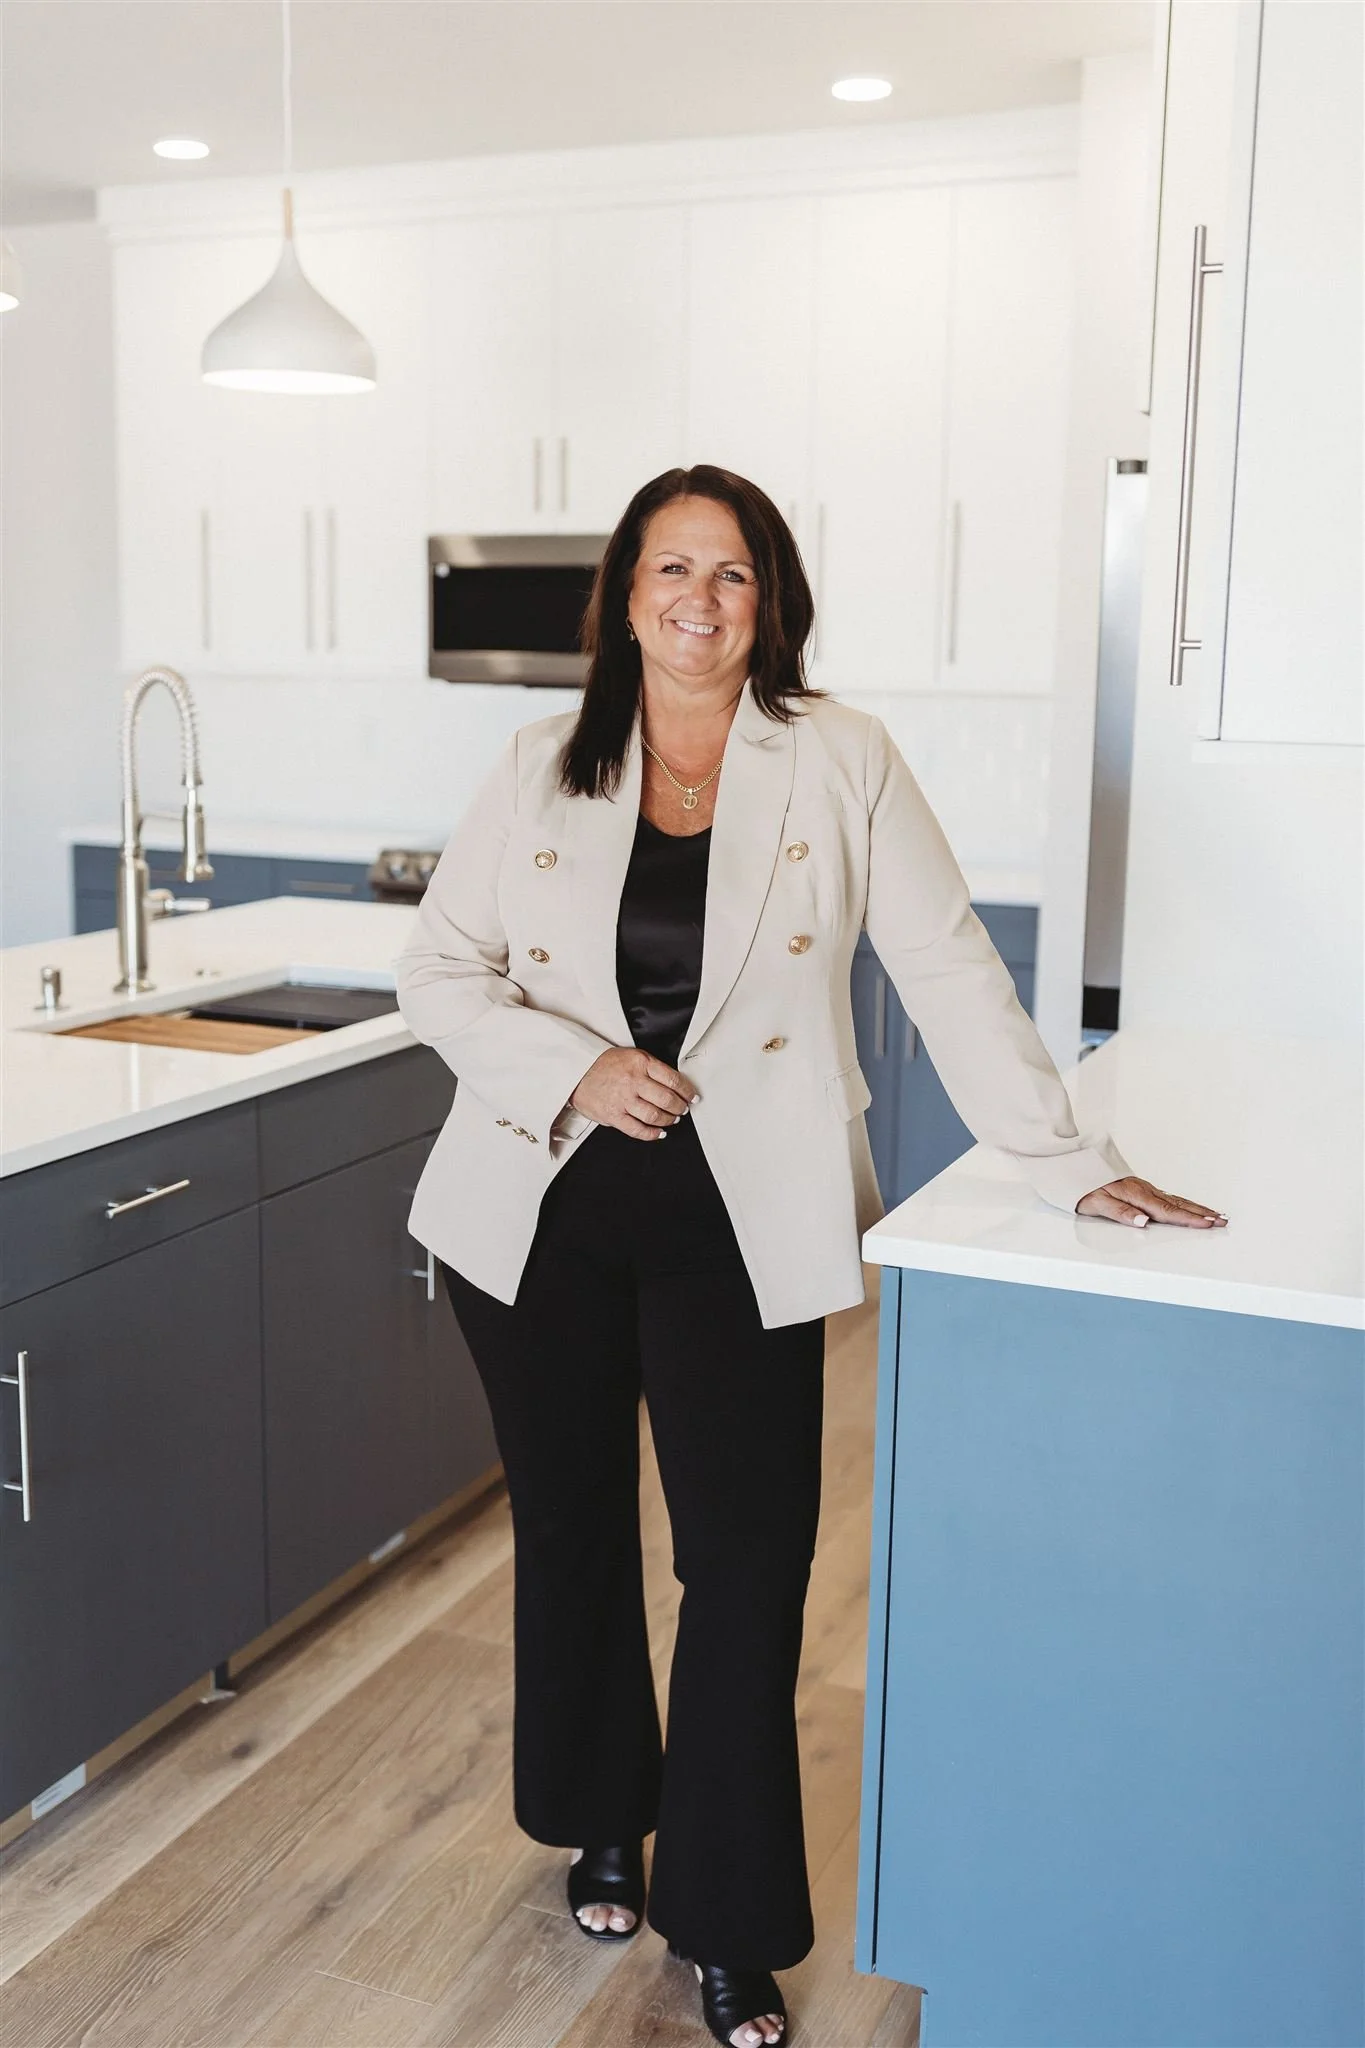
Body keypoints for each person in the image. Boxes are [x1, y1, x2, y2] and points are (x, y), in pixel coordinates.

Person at [394, 465, 1226, 2048]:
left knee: (750, 1567)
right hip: (537, 1215)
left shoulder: (839, 758)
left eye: (731, 573)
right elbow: (439, 972)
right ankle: (599, 1821)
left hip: (739, 1222)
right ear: (624, 597)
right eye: (669, 570)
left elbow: (945, 963)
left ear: (767, 598)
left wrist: (1070, 1165)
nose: (698, 601)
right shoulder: (539, 763)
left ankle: (725, 1920)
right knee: (572, 1535)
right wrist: (568, 1067)